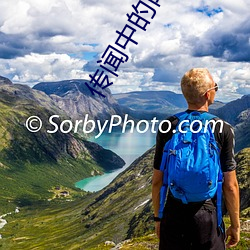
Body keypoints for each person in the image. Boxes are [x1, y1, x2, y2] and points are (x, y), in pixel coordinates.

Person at [152, 68, 240, 250]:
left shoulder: (168, 125)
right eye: (216, 87)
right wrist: (235, 225)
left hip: (174, 212)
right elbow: (230, 185)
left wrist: (158, 218)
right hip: (207, 215)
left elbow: (157, 181)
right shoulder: (222, 129)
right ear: (208, 94)